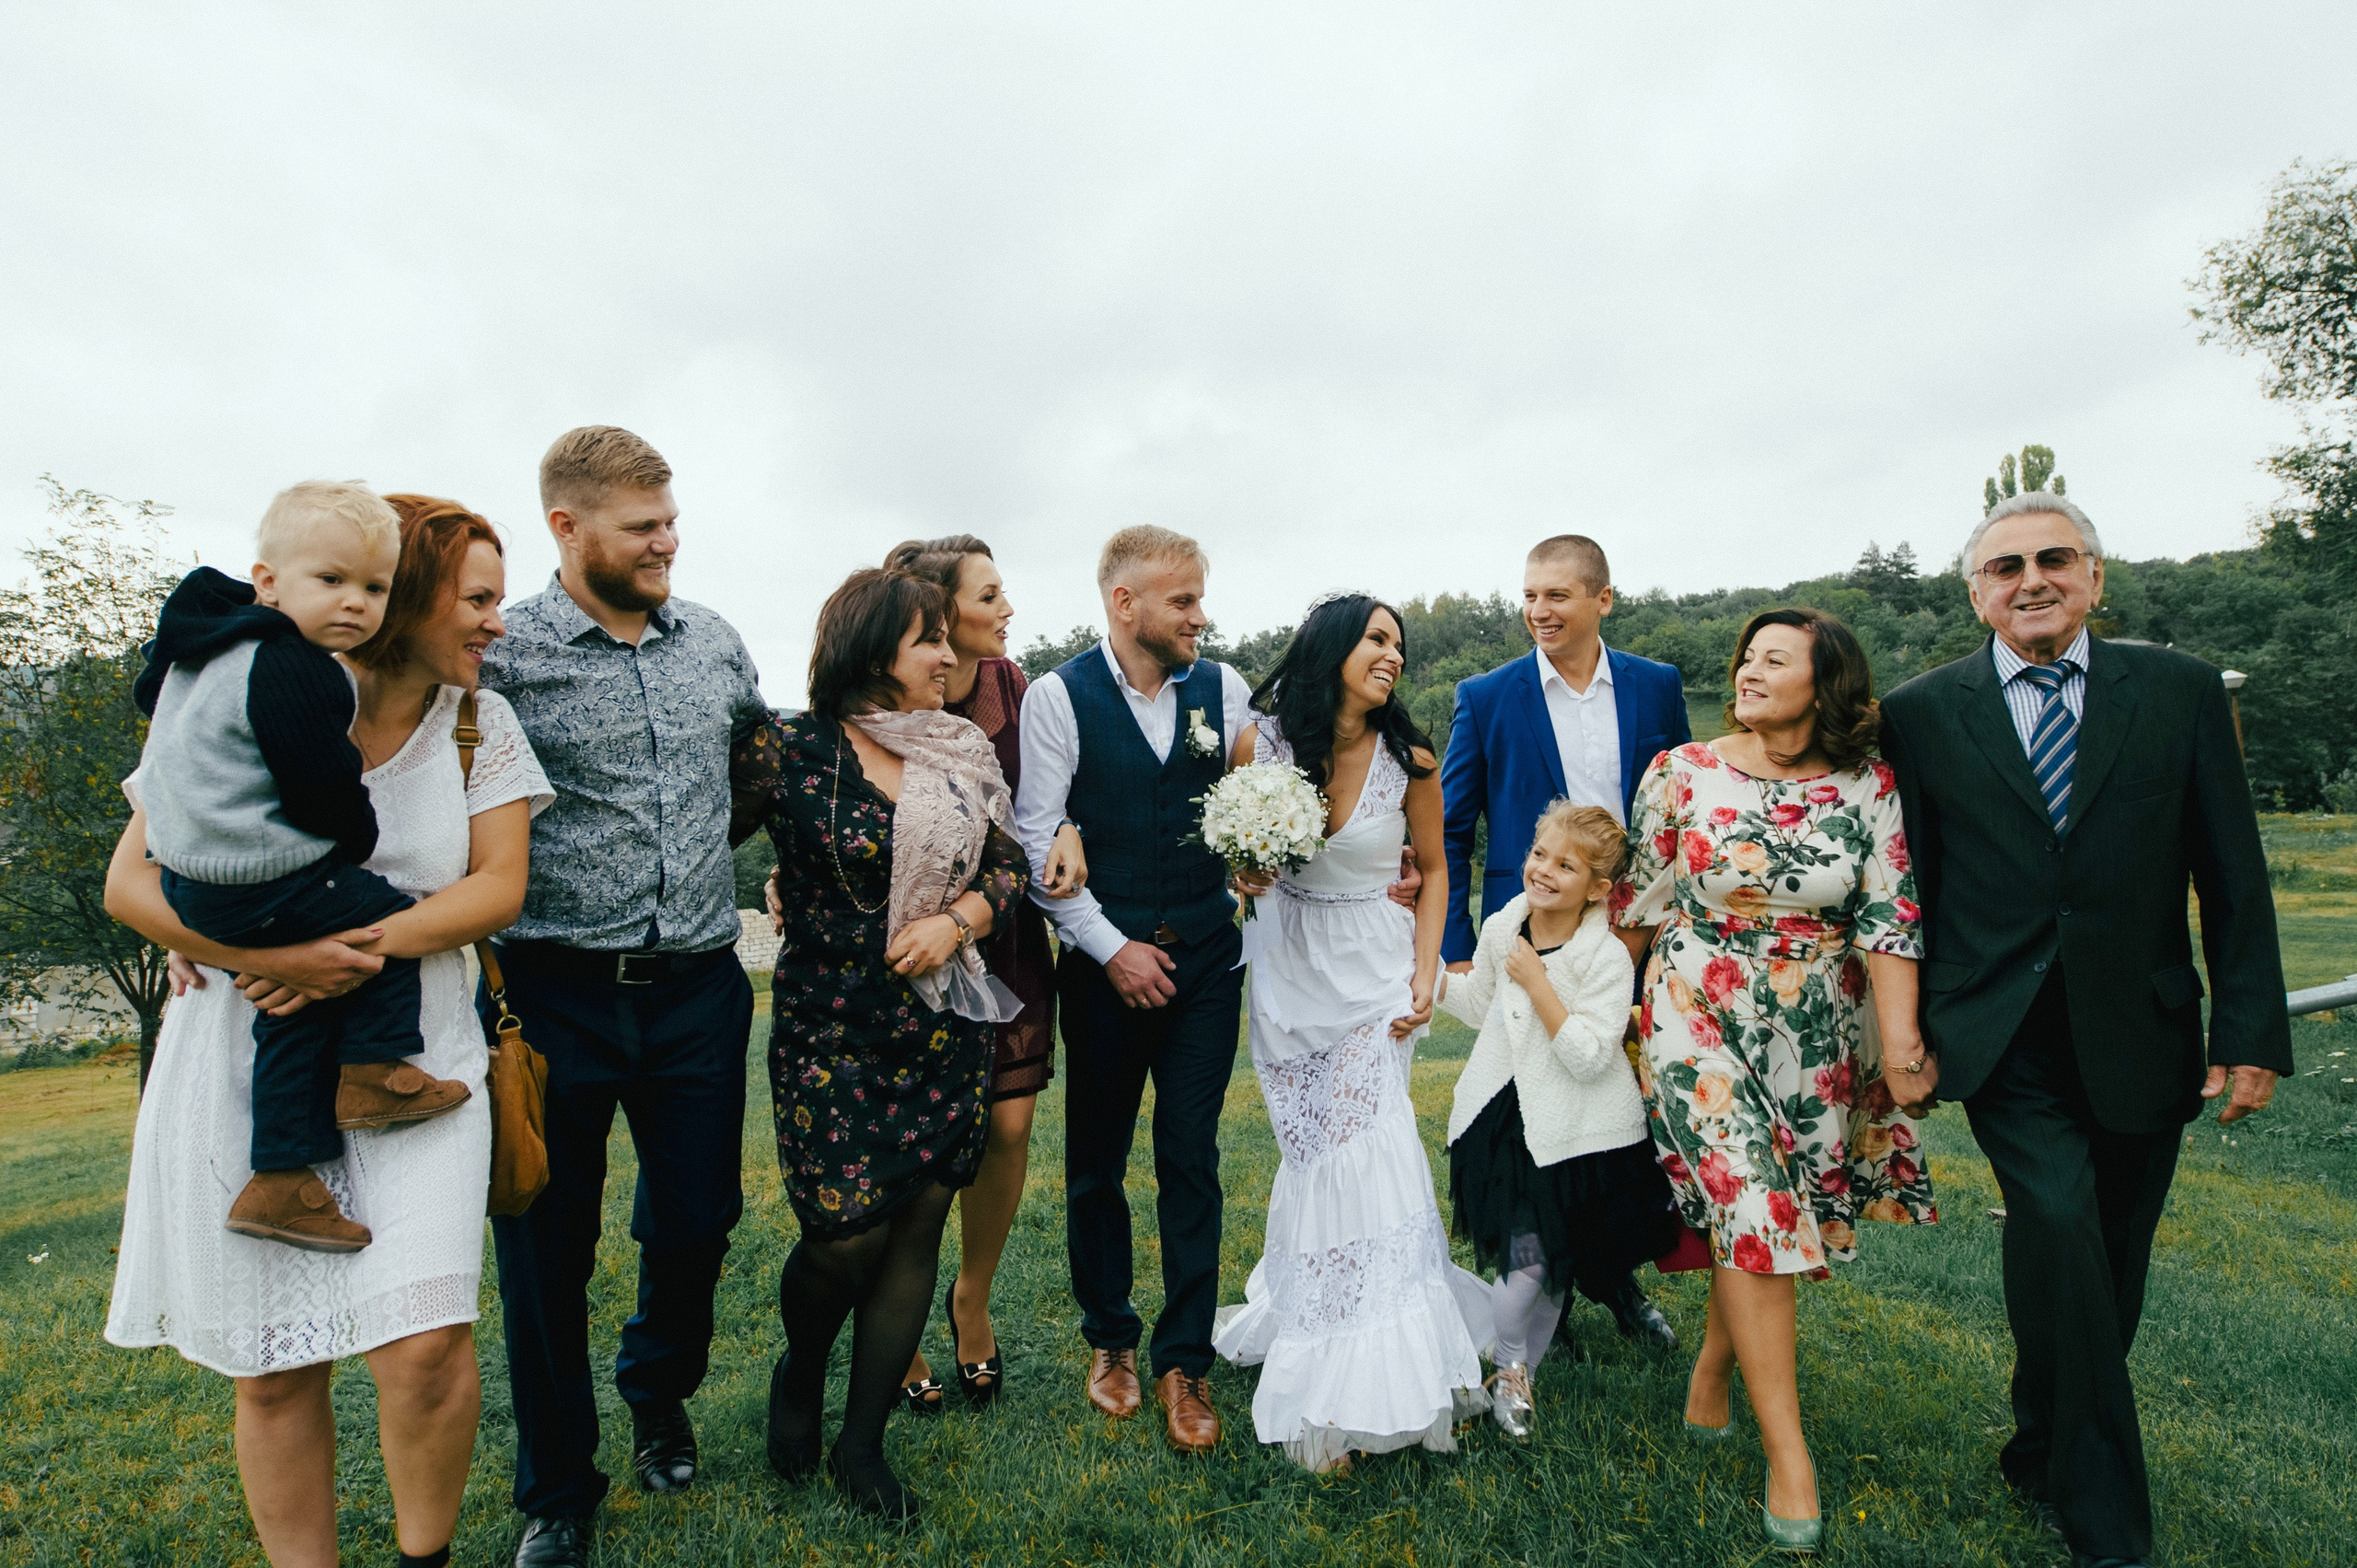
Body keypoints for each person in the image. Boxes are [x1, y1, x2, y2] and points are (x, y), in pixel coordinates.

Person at [107, 493, 550, 1568]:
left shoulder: (479, 720)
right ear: (411, 600)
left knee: (427, 1344)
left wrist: (342, 950)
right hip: (240, 1051)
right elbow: (133, 881)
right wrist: (256, 955)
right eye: (476, 599)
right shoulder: (250, 685)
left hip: (414, 1056)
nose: (497, 623)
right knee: (273, 1369)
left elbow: (497, 887)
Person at [1878, 493, 2291, 1568]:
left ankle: (2039, 1440)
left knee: (2107, 1261)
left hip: (2144, 1025)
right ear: (1975, 593)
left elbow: (2231, 869)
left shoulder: (2180, 691)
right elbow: (1904, 887)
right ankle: (2107, 1526)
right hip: (1999, 1030)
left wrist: (2249, 1029)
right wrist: (1898, 1033)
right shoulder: (1918, 714)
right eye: (2004, 566)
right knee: (2056, 1221)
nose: (2031, 580)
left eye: (2053, 559)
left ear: (2094, 576)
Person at [477, 427, 771, 1568]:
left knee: (697, 1218)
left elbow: (753, 774)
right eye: (642, 526)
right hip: (552, 991)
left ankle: (657, 1387)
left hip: (699, 985)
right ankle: (558, 1489)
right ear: (567, 525)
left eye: (670, 521)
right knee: (544, 1245)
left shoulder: (716, 643)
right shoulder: (503, 655)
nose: (667, 542)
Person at [1613, 606, 1933, 1554]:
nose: (1748, 671)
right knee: (1752, 1201)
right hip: (1694, 1006)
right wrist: (1595, 1015)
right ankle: (1789, 1457)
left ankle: (1714, 1365)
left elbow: (1889, 917)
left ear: (1824, 684)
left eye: (1775, 660)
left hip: (1816, 1026)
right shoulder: (1681, 771)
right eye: (1746, 657)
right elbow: (1636, 905)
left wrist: (1902, 1047)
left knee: (1768, 1213)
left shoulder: (1868, 785)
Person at [734, 566, 1029, 1522]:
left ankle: (862, 1445)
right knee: (843, 1234)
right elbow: (700, 840)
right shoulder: (787, 748)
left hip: (941, 1025)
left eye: (947, 636)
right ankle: (801, 1368)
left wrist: (959, 920)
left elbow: (1008, 866)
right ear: (871, 652)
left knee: (915, 1227)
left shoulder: (959, 751)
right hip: (828, 1027)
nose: (949, 655)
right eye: (928, 640)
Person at [130, 482, 470, 1251]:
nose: (354, 602)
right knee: (385, 913)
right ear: (268, 582)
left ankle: (281, 1177)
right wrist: (356, 837)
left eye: (374, 588)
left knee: (294, 1009)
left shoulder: (199, 656)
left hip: (194, 881)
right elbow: (323, 790)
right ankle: (376, 1070)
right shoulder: (295, 666)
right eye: (331, 579)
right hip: (261, 875)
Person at [1210, 593, 1491, 1472]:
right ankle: (1319, 1307)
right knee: (1313, 1155)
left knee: (1368, 1150)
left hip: (1375, 970)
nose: (1392, 655)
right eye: (1376, 638)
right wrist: (1245, 872)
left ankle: (1355, 1384)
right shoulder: (1261, 746)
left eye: (1399, 644)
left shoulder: (1412, 760)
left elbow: (1437, 869)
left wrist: (1425, 971)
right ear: (1330, 647)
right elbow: (1233, 862)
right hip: (1289, 972)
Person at [1013, 525, 1256, 1453]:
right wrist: (1113, 949)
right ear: (1125, 603)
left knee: (1191, 1156)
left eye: (1199, 597)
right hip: (1101, 968)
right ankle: (1110, 1336)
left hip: (1206, 963)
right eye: (1183, 600)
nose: (1200, 616)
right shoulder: (1057, 697)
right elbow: (1037, 842)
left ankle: (1183, 1358)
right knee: (1096, 1162)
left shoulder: (1224, 688)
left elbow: (1263, 798)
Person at [1438, 532, 1688, 1348]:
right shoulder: (1486, 695)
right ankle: (1553, 1286)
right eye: (1530, 595)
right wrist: (1457, 945)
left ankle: (1609, 1270)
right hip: (1533, 932)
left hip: (1635, 933)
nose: (1539, 610)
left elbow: (1681, 809)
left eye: (1557, 595)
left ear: (1602, 599)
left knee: (1624, 1111)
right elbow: (1451, 826)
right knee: (1537, 1115)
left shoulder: (1657, 685)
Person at [874, 535, 1087, 1413]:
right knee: (908, 1136)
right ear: (938, 609)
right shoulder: (880, 683)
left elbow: (1052, 790)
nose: (1007, 610)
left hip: (1004, 929)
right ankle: (898, 1316)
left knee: (1008, 1124)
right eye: (989, 596)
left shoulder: (1013, 684)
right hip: (910, 937)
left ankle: (973, 1295)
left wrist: (1068, 826)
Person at [1440, 802, 1683, 1441]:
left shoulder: (1605, 957)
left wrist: (1540, 983)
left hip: (1579, 1137)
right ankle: (1509, 1364)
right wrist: (1430, 981)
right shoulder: (1505, 923)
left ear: (1598, 889)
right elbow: (1480, 1003)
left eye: (1566, 865)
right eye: (1539, 853)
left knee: (1550, 1264)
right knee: (1524, 1261)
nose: (1543, 870)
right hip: (1505, 1126)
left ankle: (1516, 1368)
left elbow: (1589, 1055)